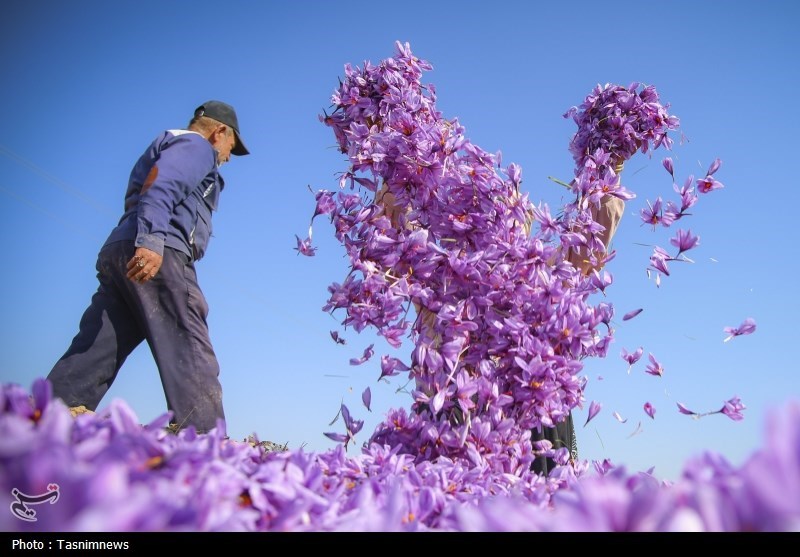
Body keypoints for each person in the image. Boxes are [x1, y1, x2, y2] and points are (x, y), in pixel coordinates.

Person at [47, 100, 250, 433]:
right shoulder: (196, 146)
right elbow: (163, 184)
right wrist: (153, 241)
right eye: (231, 147)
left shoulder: (170, 142)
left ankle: (49, 412)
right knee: (188, 341)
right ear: (220, 132)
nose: (228, 155)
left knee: (102, 341)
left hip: (123, 245)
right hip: (160, 250)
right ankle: (205, 441)